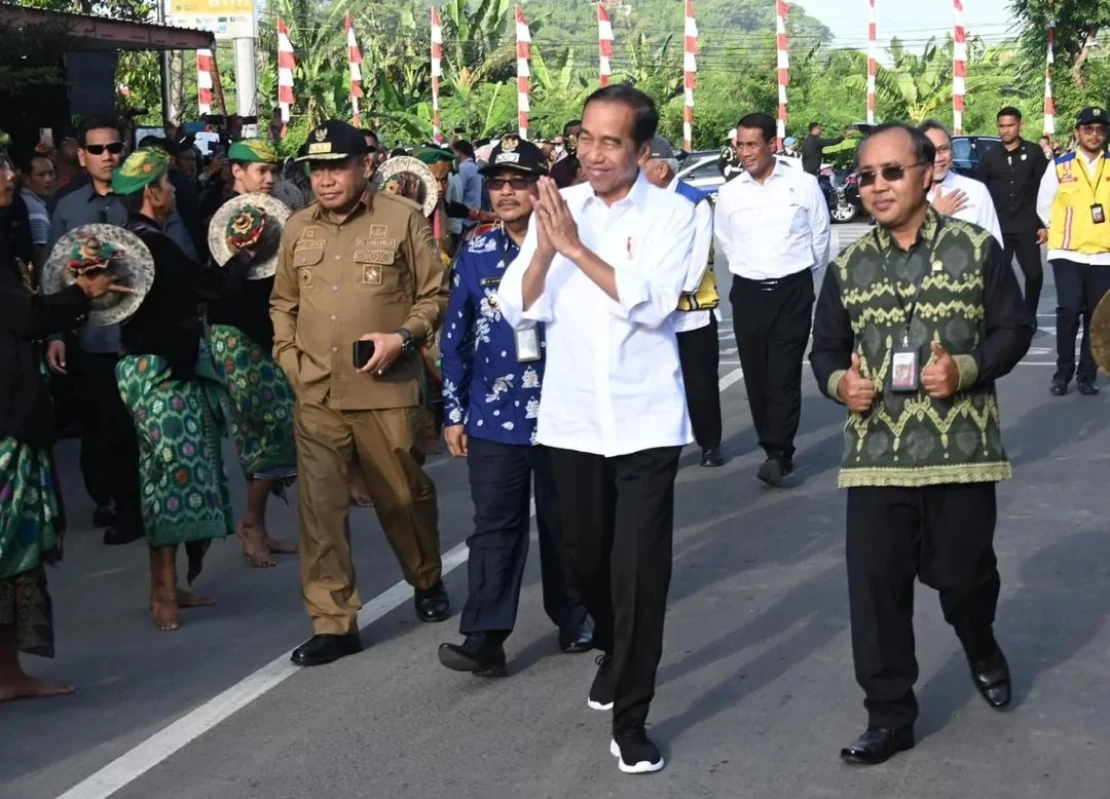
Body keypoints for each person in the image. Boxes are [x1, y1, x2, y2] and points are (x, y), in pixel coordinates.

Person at [810, 123, 1032, 766]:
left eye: (892, 172)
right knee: (875, 590)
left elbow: (1014, 328)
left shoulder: (975, 248)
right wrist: (837, 383)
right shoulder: (848, 265)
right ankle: (889, 716)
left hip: (961, 451)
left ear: (927, 171)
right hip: (876, 456)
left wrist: (965, 369)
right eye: (867, 175)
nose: (878, 186)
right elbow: (825, 347)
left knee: (964, 575)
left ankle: (980, 641)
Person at [498, 85, 695, 775]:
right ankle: (615, 644)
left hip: (645, 421)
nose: (593, 152)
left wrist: (575, 249)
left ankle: (633, 718)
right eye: (585, 137)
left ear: (643, 150)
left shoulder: (676, 215)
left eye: (611, 142)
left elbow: (651, 303)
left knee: (640, 572)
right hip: (571, 420)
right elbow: (515, 307)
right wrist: (547, 251)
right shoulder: (556, 205)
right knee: (585, 560)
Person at [271, 121, 450, 667]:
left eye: (336, 167)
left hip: (386, 389)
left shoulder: (401, 219)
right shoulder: (298, 228)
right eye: (316, 169)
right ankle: (333, 622)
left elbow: (434, 295)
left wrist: (402, 338)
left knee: (403, 495)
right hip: (317, 393)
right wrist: (290, 359)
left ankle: (425, 579)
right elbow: (283, 303)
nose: (325, 179)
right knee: (320, 510)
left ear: (363, 167)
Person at [437, 136, 592, 677]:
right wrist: (453, 413)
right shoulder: (475, 251)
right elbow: (454, 336)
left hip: (563, 412)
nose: (505, 193)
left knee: (565, 521)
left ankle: (574, 615)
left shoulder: (571, 246)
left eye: (517, 183)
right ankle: (484, 636)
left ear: (541, 186)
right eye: (497, 183)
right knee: (494, 526)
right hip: (494, 415)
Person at [0, 146, 127, 701]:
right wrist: (84, 292)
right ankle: (7, 675)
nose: (10, 176)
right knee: (13, 552)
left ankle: (7, 674)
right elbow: (25, 315)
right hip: (7, 420)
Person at [111, 148, 246, 631]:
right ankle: (164, 591)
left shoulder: (125, 242)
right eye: (167, 184)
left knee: (158, 475)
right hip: (165, 374)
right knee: (174, 480)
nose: (171, 191)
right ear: (151, 192)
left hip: (139, 368)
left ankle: (164, 586)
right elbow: (208, 287)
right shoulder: (156, 247)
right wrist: (244, 254)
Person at [714, 112, 831, 486]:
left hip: (793, 290)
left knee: (783, 373)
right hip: (748, 292)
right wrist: (753, 270)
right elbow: (726, 242)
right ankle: (771, 444)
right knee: (757, 376)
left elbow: (820, 237)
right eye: (740, 145)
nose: (745, 153)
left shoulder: (803, 184)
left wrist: (800, 275)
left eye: (751, 145)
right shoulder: (731, 193)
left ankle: (780, 451)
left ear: (771, 145)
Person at [44, 114, 143, 546]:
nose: (108, 157)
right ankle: (107, 497)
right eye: (98, 149)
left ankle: (136, 505)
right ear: (81, 156)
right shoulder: (66, 209)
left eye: (114, 148)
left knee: (134, 426)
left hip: (138, 334)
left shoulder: (142, 198)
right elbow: (53, 274)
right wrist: (54, 336)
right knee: (99, 425)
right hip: (90, 337)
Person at [205, 139, 298, 567]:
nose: (269, 178)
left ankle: (258, 523)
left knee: (268, 431)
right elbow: (220, 290)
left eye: (272, 170)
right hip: (236, 335)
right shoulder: (219, 217)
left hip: (268, 332)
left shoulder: (275, 214)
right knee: (271, 425)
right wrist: (245, 257)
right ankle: (251, 523)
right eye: (260, 170)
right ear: (235, 173)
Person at [641, 136, 724, 468]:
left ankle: (709, 444)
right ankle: (663, 447)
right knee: (658, 385)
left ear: (661, 167)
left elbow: (694, 269)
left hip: (690, 313)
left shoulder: (694, 202)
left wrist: (658, 291)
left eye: (640, 165)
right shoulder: (638, 203)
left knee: (699, 383)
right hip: (651, 313)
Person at [1037, 106, 1110, 397]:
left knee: (1096, 317)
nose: (1094, 134)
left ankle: (1086, 375)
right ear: (1078, 133)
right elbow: (1044, 204)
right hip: (1068, 252)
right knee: (1069, 310)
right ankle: (1062, 372)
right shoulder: (1059, 165)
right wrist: (1061, 230)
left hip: (1104, 255)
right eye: (1088, 129)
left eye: (1100, 129)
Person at [977, 107, 1049, 320]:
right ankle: (1000, 317)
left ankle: (1029, 315)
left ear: (1020, 125)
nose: (1005, 130)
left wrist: (1044, 224)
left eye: (1010, 125)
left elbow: (1046, 190)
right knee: (996, 277)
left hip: (1028, 225)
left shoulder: (1035, 153)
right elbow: (980, 192)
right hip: (999, 227)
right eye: (1002, 126)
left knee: (1034, 275)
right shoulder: (990, 158)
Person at [920, 120, 1002, 244]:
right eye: (930, 151)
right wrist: (934, 215)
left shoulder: (975, 191)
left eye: (943, 149)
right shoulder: (904, 195)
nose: (937, 158)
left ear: (952, 152)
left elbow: (994, 245)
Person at [16, 148, 54, 269]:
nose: (48, 179)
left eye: (51, 173)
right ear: (26, 179)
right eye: (41, 175)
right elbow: (40, 253)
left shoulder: (25, 200)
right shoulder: (35, 209)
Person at [550, 119, 583, 188]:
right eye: (569, 137)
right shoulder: (558, 169)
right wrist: (576, 183)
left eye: (578, 135)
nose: (574, 141)